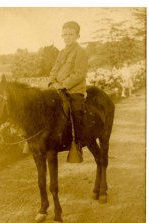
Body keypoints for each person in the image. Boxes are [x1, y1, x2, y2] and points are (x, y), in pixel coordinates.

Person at [48, 21, 88, 160]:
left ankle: (77, 144)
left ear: (78, 36)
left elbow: (79, 73)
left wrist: (63, 85)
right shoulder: (61, 52)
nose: (67, 37)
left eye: (70, 34)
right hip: (58, 89)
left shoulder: (80, 52)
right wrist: (52, 82)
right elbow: (54, 69)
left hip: (73, 90)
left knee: (76, 111)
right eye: (64, 34)